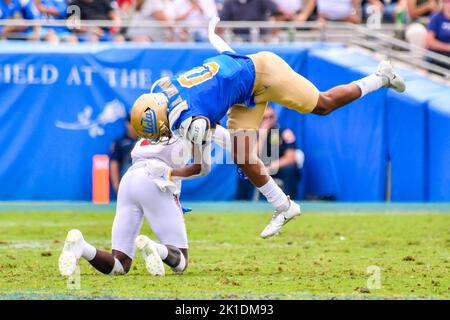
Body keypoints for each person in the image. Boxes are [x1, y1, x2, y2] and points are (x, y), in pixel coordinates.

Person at [130, 17, 406, 240]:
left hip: (264, 73)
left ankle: (380, 77)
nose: (162, 137)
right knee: (243, 156)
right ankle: (285, 207)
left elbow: (203, 166)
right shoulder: (161, 89)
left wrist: (170, 176)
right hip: (242, 95)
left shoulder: (193, 121)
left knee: (323, 104)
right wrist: (170, 175)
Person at [59, 124, 231, 277]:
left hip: (130, 179)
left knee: (120, 263)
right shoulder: (196, 119)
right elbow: (201, 167)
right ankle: (154, 247)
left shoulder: (160, 117)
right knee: (181, 260)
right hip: (155, 181)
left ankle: (82, 246)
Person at [236, 106, 302, 200]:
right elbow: (251, 158)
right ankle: (240, 204)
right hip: (260, 168)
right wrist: (262, 135)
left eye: (271, 117)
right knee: (244, 172)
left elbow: (290, 158)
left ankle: (289, 203)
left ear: (275, 117)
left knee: (290, 170)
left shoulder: (285, 133)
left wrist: (271, 166)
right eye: (264, 118)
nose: (268, 120)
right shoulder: (253, 134)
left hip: (278, 168)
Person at [110, 116, 138, 195]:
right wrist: (116, 186)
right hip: (126, 182)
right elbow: (114, 164)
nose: (134, 127)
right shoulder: (120, 142)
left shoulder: (145, 141)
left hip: (142, 181)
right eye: (132, 124)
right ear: (127, 124)